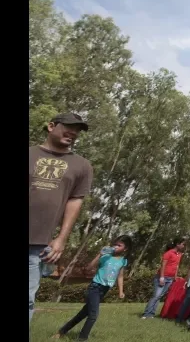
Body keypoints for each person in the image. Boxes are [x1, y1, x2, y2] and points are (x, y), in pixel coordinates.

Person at [30, 113, 94, 326]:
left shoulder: (82, 166)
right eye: (69, 126)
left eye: (77, 130)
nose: (73, 132)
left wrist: (61, 238)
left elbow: (75, 202)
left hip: (38, 244)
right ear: (51, 126)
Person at [52, 236, 131, 341]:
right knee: (93, 315)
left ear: (125, 249)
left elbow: (120, 276)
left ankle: (61, 332)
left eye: (119, 245)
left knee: (83, 314)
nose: (115, 247)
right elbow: (89, 268)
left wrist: (121, 291)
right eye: (115, 244)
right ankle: (82, 338)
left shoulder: (123, 261)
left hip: (104, 290)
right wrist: (99, 254)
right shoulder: (106, 256)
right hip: (94, 287)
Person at [141, 238, 185, 319]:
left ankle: (151, 314)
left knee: (159, 296)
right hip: (163, 277)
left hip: (170, 279)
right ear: (177, 244)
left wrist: (175, 277)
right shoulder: (168, 253)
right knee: (156, 296)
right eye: (182, 244)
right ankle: (146, 314)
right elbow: (163, 265)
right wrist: (161, 277)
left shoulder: (179, 255)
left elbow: (176, 266)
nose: (183, 246)